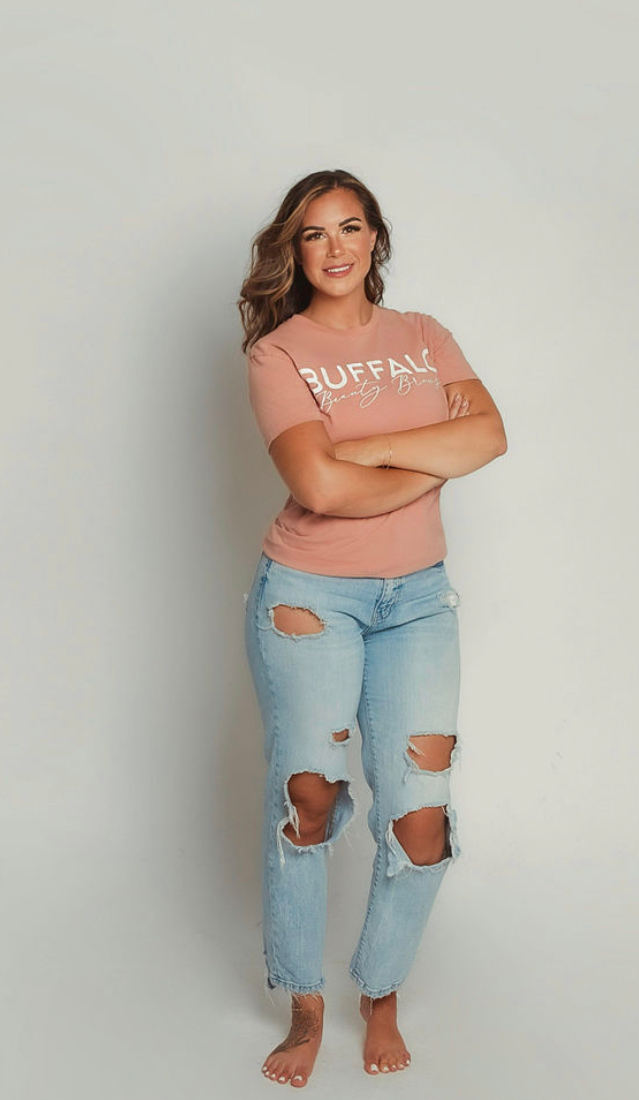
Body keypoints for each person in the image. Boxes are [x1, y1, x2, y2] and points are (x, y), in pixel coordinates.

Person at [237, 168, 507, 1087]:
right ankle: (304, 1002)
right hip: (311, 593)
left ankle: (380, 990)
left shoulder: (423, 334)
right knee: (309, 804)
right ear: (295, 250)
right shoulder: (279, 354)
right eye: (316, 234)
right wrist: (429, 461)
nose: (337, 247)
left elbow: (490, 437)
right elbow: (320, 488)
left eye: (352, 228)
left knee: (421, 819)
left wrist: (367, 447)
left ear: (376, 239)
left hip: (418, 601)